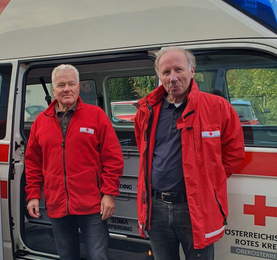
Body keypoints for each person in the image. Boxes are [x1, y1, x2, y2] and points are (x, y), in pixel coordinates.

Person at [134, 47, 245, 260]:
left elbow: (234, 153)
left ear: (192, 71)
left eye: (179, 70)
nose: (173, 77)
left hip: (195, 205)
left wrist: (209, 180)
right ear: (159, 76)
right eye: (166, 72)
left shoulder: (217, 107)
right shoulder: (146, 110)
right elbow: (144, 150)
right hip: (156, 207)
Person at [25, 64, 124, 260]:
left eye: (71, 83)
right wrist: (33, 195)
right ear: (54, 89)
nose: (66, 89)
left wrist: (109, 193)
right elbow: (32, 162)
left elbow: (112, 158)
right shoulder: (41, 121)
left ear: (79, 86)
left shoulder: (96, 116)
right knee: (67, 256)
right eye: (61, 84)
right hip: (57, 203)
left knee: (98, 256)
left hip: (92, 203)